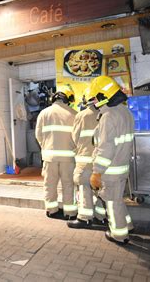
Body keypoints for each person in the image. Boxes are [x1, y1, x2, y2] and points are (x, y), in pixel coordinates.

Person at [88, 76, 134, 245]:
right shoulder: (125, 111)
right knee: (117, 198)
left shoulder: (108, 115)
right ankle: (127, 225)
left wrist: (97, 171)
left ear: (102, 96)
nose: (93, 102)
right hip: (122, 167)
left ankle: (119, 234)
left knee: (112, 202)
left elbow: (105, 148)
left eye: (94, 98)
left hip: (110, 170)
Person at [35, 85, 78, 220]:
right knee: (68, 184)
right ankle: (70, 213)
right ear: (68, 99)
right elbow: (77, 138)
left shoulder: (44, 113)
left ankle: (51, 210)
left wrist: (46, 147)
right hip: (68, 158)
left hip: (50, 157)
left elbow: (38, 135)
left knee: (50, 184)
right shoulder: (74, 114)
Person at [67, 88, 107, 229]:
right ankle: (101, 217)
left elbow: (75, 137)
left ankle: (84, 218)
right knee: (101, 189)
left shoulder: (82, 115)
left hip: (85, 160)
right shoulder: (107, 115)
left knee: (85, 188)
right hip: (103, 160)